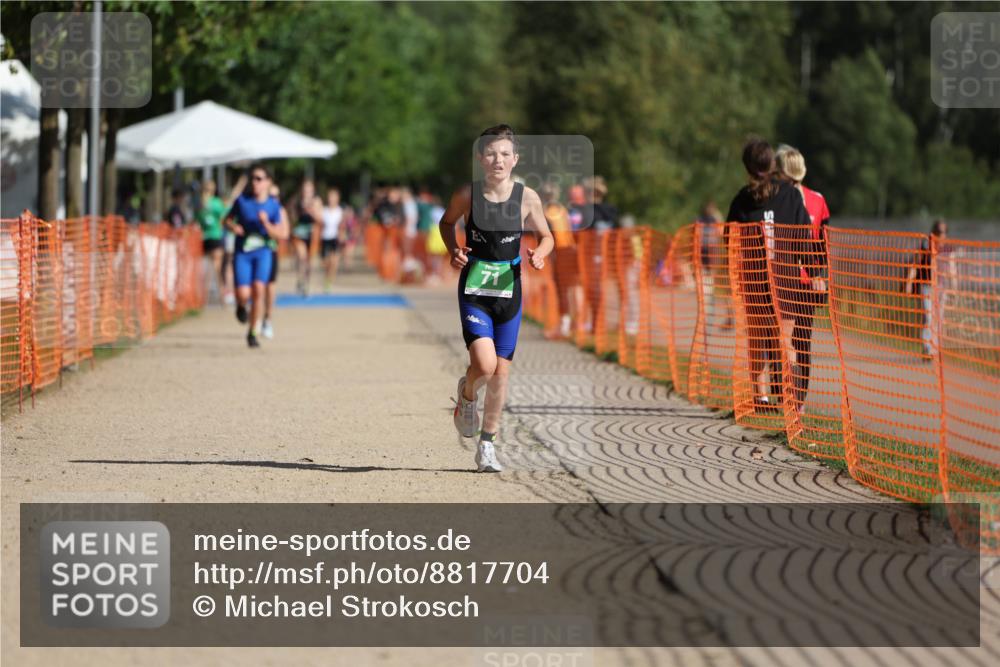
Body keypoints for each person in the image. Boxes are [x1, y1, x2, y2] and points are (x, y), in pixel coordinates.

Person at [438, 125, 554, 472]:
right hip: (475, 290)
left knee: (501, 374)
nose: (498, 160)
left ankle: (487, 445)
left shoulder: (527, 197)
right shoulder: (467, 195)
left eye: (505, 154)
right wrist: (454, 250)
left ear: (515, 159)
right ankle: (467, 396)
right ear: (480, 158)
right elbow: (446, 224)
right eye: (491, 153)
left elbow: (548, 236)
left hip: (510, 292)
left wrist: (540, 254)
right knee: (485, 366)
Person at [726, 138, 813, 413]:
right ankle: (790, 397)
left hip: (754, 279)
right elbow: (804, 236)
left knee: (758, 337)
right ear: (773, 164)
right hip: (786, 279)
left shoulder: (743, 198)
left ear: (747, 167)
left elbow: (729, 238)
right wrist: (811, 267)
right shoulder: (790, 194)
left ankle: (761, 397)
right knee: (785, 341)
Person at [775, 146, 830, 411]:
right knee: (780, 339)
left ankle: (799, 401)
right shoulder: (773, 198)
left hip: (806, 284)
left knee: (801, 341)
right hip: (781, 279)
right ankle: (782, 392)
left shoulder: (817, 200)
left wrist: (820, 275)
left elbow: (823, 244)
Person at [222, 164, 289, 348]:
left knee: (259, 289)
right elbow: (226, 220)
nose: (255, 182)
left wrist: (266, 223)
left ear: (268, 182)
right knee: (244, 294)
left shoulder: (273, 206)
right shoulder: (242, 201)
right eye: (253, 178)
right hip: (243, 253)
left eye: (259, 179)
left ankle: (252, 332)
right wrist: (233, 227)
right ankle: (241, 306)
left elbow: (282, 233)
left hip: (263, 253)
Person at [905, 219, 948, 359]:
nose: (943, 235)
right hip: (927, 286)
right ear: (934, 232)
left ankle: (935, 349)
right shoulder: (925, 245)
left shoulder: (946, 248)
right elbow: (915, 264)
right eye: (941, 232)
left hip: (941, 287)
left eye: (945, 232)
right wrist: (909, 282)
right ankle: (927, 349)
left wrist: (953, 286)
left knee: (939, 319)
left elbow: (950, 268)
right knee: (928, 318)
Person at [541, 182, 579, 338]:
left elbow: (554, 234)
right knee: (568, 289)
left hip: (560, 252)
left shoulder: (548, 212)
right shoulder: (561, 209)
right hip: (567, 250)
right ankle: (568, 322)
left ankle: (566, 324)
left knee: (562, 289)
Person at [263, 182, 289, 339]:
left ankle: (268, 320)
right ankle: (256, 318)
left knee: (269, 287)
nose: (274, 199)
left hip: (270, 251)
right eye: (271, 196)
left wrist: (267, 226)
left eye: (276, 196)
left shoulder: (280, 211)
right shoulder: (256, 207)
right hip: (253, 252)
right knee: (257, 288)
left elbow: (284, 234)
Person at [197, 180, 227, 304]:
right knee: (217, 268)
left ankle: (204, 298)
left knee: (208, 269)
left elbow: (199, 221)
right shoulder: (216, 203)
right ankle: (222, 297)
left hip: (205, 238)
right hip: (216, 236)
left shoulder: (200, 204)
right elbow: (224, 217)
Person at [320, 187, 344, 292]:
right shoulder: (323, 211)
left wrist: (342, 235)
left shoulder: (340, 211)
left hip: (335, 238)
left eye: (334, 197)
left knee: (334, 262)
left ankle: (329, 282)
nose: (332, 199)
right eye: (330, 197)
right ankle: (326, 277)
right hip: (325, 238)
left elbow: (343, 226)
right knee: (326, 263)